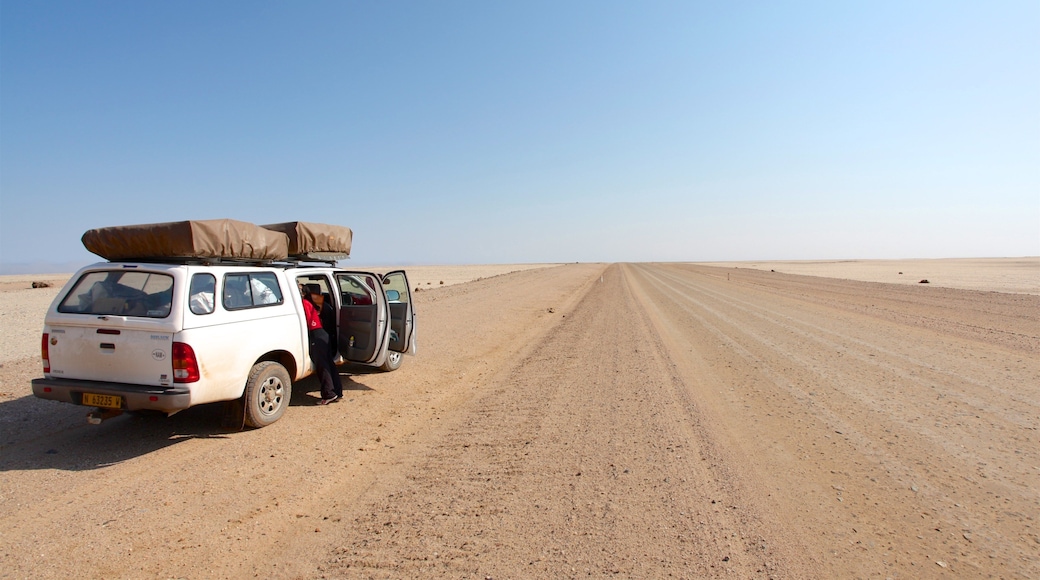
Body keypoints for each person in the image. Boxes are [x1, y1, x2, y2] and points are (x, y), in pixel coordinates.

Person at [302, 283, 343, 404]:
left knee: (323, 366)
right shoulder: (318, 303)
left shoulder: (305, 303)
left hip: (316, 335)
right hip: (323, 335)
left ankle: (328, 394)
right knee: (329, 364)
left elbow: (306, 321)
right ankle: (337, 392)